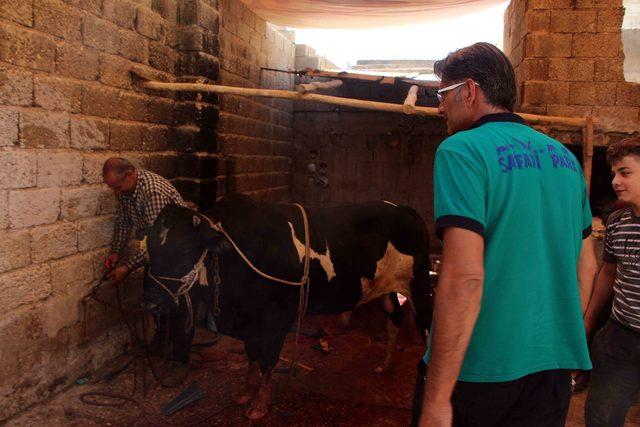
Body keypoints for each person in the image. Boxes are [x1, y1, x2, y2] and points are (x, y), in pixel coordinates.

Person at [411, 42, 596, 427]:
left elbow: (464, 278)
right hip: (552, 369)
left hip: (481, 370)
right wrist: (552, 336)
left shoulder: (461, 151)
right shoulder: (565, 159)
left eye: (442, 95)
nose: (439, 107)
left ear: (470, 90)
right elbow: (587, 265)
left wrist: (437, 399)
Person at [102, 157, 191, 367]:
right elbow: (123, 222)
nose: (117, 192)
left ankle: (180, 359)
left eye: (118, 186)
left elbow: (158, 243)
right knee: (153, 296)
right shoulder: (126, 191)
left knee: (178, 303)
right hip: (158, 247)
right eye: (112, 188)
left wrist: (126, 267)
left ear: (131, 173)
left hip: (178, 248)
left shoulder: (153, 193)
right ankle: (161, 343)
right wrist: (116, 251)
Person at [584, 137, 640, 427]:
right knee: (601, 417)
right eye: (614, 173)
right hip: (621, 336)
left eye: (625, 172)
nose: (616, 181)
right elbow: (608, 272)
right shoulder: (617, 221)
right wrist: (589, 320)